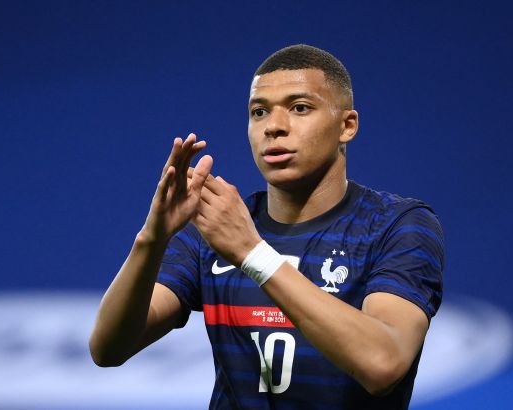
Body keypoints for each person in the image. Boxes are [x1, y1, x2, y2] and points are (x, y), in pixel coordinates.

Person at [89, 44, 444, 409]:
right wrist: (152, 239)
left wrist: (252, 254)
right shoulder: (215, 231)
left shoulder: (398, 225)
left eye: (299, 108)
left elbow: (383, 363)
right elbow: (108, 349)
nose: (273, 127)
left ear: (346, 126)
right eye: (259, 112)